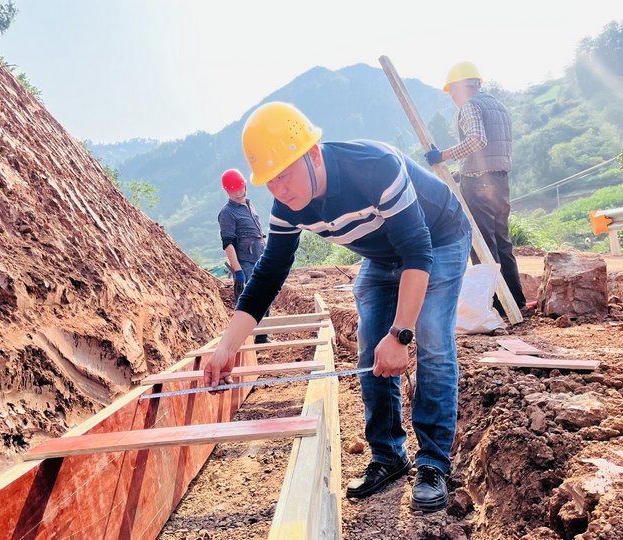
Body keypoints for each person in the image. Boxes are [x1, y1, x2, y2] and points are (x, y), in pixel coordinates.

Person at [204, 102, 472, 513]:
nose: (280, 190)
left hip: (438, 238)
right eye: (270, 182)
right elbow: (266, 278)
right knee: (369, 345)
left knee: (432, 337)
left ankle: (433, 462)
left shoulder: (374, 167)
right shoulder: (287, 207)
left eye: (285, 175)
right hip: (383, 258)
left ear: (313, 154)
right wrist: (226, 347)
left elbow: (417, 252)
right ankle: (388, 456)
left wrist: (402, 333)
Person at [424, 61, 526, 314]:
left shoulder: (470, 106)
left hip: (479, 183)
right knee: (502, 240)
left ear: (460, 87)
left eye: (452, 92)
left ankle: (490, 303)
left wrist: (443, 156)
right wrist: (461, 172)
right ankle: (515, 301)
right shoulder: (498, 106)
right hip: (499, 181)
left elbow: (478, 141)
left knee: (481, 242)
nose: (453, 98)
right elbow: (491, 149)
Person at [217, 168, 268, 344]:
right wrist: (238, 270)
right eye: (233, 190)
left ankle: (262, 337)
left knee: (266, 296)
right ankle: (245, 340)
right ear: (227, 191)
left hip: (260, 258)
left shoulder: (249, 205)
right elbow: (228, 242)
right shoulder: (227, 213)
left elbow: (258, 233)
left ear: (245, 185)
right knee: (250, 301)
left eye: (240, 188)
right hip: (245, 262)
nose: (238, 193)